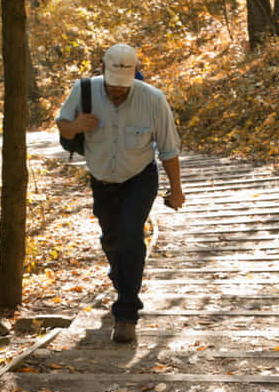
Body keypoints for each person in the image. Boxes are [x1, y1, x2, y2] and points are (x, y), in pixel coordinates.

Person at [56, 43, 185, 343]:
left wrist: (176, 189)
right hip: (102, 180)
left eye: (123, 89)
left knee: (130, 235)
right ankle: (121, 276)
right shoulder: (84, 90)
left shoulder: (153, 99)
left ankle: (126, 314)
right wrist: (75, 126)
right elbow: (63, 126)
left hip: (139, 177)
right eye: (112, 88)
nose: (117, 94)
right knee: (112, 240)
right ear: (103, 72)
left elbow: (169, 149)